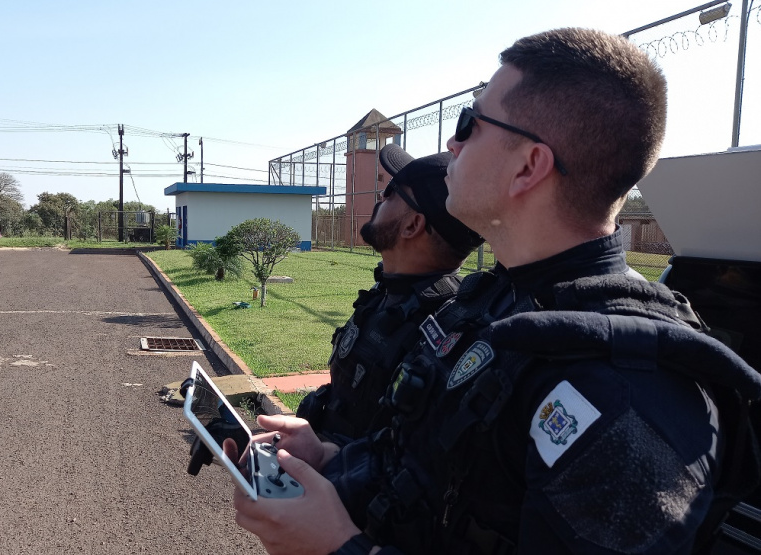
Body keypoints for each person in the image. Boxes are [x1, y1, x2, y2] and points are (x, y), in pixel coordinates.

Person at [231, 27, 761, 554]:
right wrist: (326, 457)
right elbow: (423, 465)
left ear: (529, 165)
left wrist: (336, 547)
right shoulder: (491, 301)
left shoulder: (625, 395)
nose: (451, 143)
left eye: (470, 123)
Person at [296, 144, 483, 445]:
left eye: (393, 190)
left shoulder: (445, 333)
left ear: (413, 225)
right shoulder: (389, 291)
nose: (381, 196)